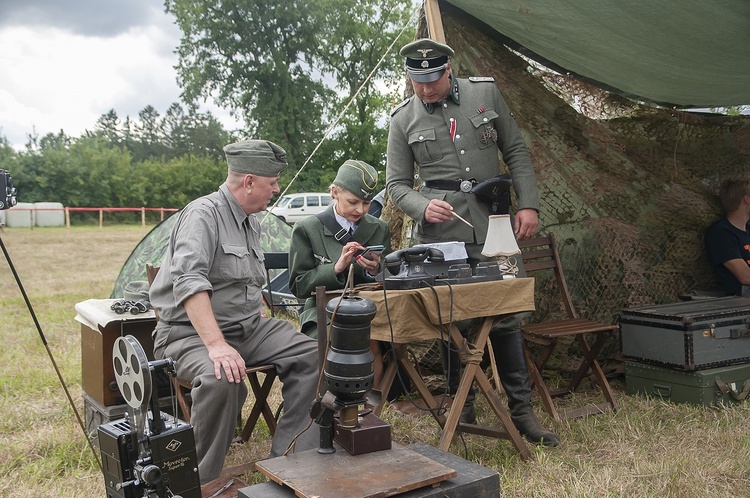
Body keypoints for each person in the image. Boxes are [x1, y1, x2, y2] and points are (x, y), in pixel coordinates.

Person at [385, 38, 559, 446]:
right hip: (442, 234)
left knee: (509, 312)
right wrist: (422, 207)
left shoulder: (485, 93)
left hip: (495, 220)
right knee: (452, 320)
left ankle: (523, 413)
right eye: (416, 81)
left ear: (449, 70)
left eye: (432, 80)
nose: (424, 90)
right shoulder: (401, 118)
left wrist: (528, 205)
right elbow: (396, 185)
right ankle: (462, 411)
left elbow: (515, 149)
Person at [149, 139, 319, 484]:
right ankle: (198, 482)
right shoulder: (202, 214)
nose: (277, 189)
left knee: (313, 353)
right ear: (249, 182)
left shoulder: (249, 219)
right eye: (272, 183)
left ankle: (290, 463)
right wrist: (216, 345)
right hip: (188, 335)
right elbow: (189, 281)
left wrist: (254, 309)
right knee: (221, 378)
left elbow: (240, 279)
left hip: (246, 328)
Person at [289, 159, 391, 390]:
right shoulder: (308, 229)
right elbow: (298, 285)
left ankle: (369, 407)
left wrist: (376, 269)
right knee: (335, 343)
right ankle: (326, 402)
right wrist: (335, 268)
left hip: (369, 308)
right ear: (335, 192)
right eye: (353, 202)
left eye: (366, 203)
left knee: (373, 342)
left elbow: (389, 276)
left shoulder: (379, 228)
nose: (360, 210)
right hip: (323, 311)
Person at [705, 172, 750, 296]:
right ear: (747, 199)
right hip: (742, 300)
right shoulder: (721, 233)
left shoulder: (748, 230)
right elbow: (745, 277)